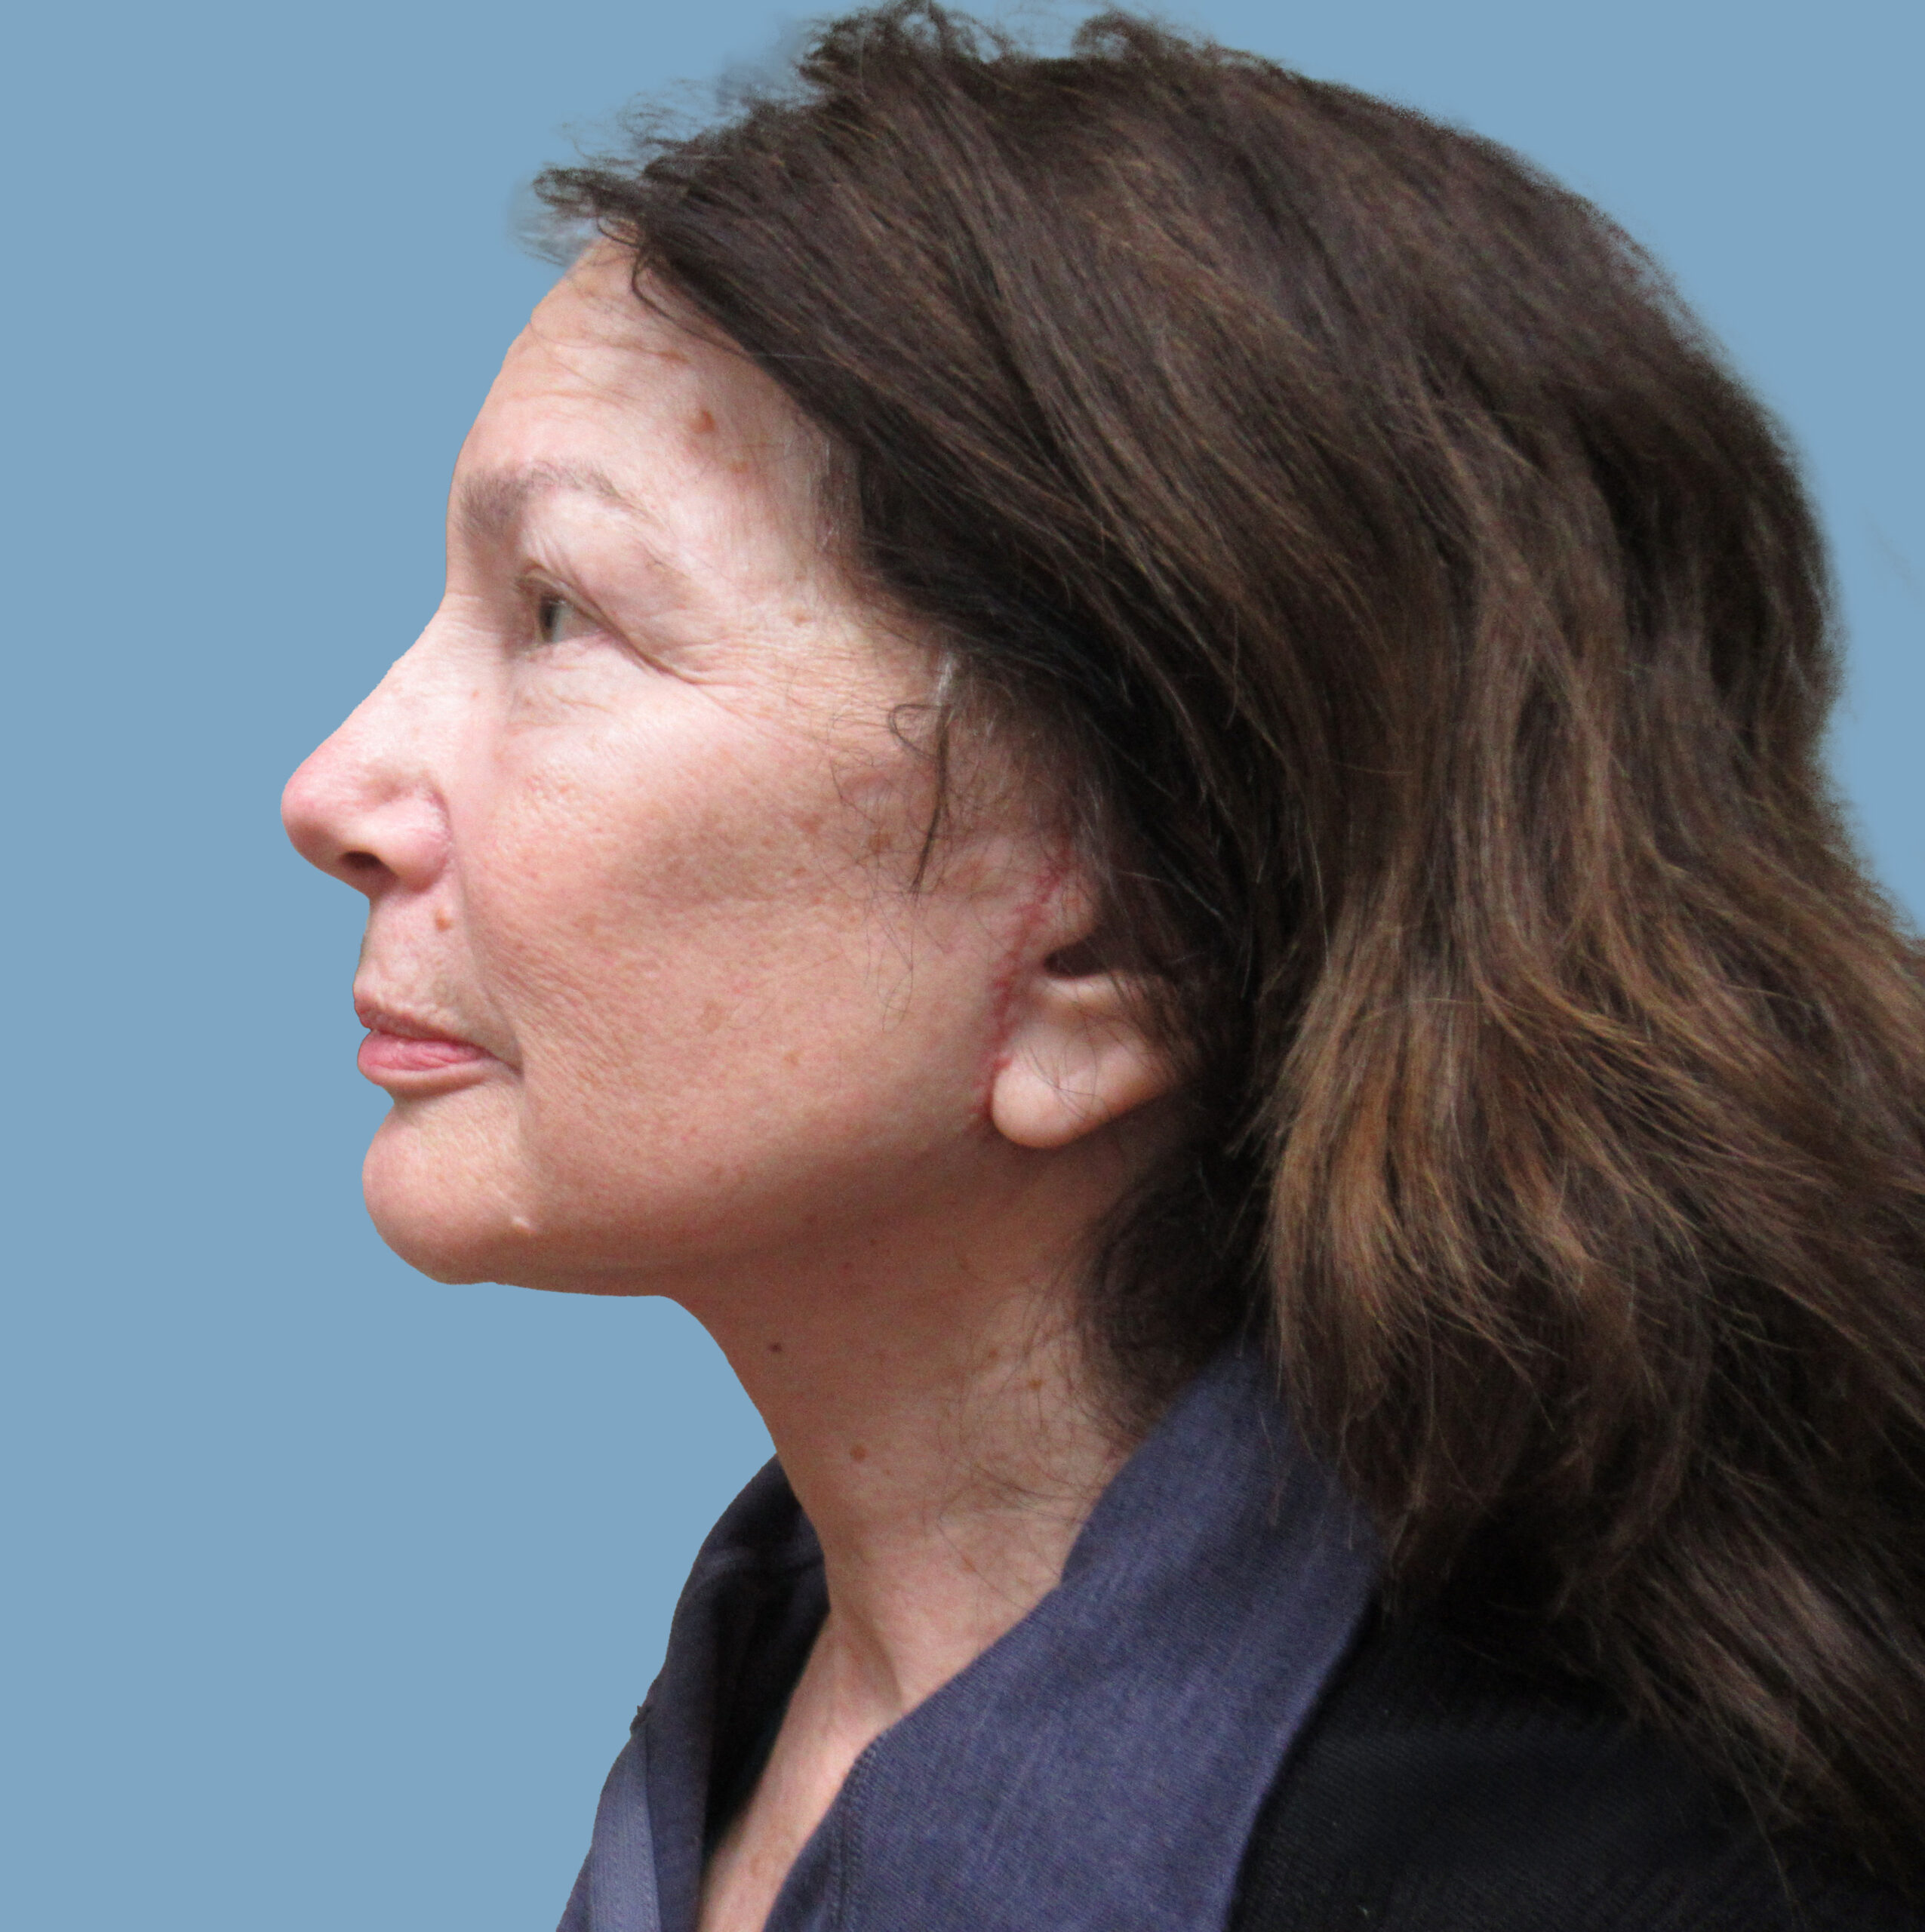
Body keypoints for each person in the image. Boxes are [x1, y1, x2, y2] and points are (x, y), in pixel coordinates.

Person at [281, 7, 1925, 1927]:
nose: (334, 789)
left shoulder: (1600, 1873)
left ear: (1118, 941)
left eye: (564, 615)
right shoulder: (768, 1685)